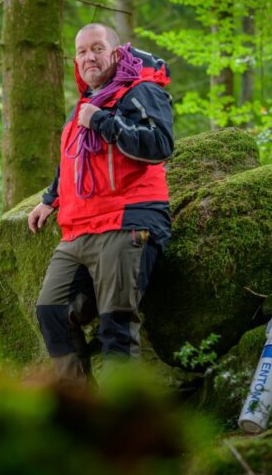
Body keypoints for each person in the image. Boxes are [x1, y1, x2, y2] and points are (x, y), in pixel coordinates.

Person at [28, 23, 174, 385]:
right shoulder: (81, 107)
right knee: (51, 310)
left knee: (116, 325)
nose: (88, 57)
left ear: (115, 52)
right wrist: (50, 199)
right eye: (81, 51)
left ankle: (119, 426)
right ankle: (81, 410)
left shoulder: (141, 92)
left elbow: (160, 145)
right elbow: (71, 162)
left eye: (97, 48)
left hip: (128, 222)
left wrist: (104, 122)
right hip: (79, 229)